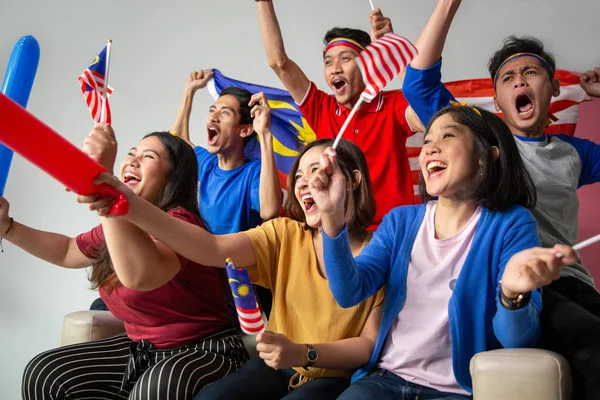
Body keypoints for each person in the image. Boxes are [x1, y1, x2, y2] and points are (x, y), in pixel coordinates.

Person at [79, 138, 383, 399]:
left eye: (316, 170)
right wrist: (125, 202)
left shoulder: (382, 249)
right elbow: (211, 248)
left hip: (331, 376)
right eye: (299, 175)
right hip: (275, 366)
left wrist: (304, 352)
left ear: (352, 180)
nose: (304, 182)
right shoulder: (286, 234)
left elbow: (368, 344)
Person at [311, 104, 578, 399]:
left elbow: (518, 338)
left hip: (456, 391)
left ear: (486, 156)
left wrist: (511, 294)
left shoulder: (512, 224)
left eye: (447, 136)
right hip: (383, 381)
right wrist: (332, 217)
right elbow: (349, 292)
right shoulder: (401, 221)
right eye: (426, 141)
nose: (430, 149)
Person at [401, 22, 600, 399]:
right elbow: (418, 85)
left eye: (530, 72)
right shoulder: (483, 143)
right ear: (497, 102)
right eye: (508, 78)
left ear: (553, 88)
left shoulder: (576, 153)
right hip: (520, 279)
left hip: (576, 281)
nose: (519, 82)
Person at [1, 127, 247, 400]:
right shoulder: (121, 226)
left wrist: (103, 184)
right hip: (143, 348)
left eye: (147, 156)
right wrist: (8, 228)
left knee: (155, 390)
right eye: (131, 154)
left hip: (204, 348)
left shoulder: (180, 224)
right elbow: (66, 250)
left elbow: (141, 276)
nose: (132, 160)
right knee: (46, 372)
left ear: (172, 176)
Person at [255, 0, 460, 228]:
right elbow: (279, 62)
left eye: (345, 58)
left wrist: (391, 52)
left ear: (369, 64)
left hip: (393, 233)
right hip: (342, 236)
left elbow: (430, 115)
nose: (335, 68)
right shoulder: (321, 108)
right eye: (328, 62)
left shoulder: (393, 106)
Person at [173, 78, 281, 314]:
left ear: (245, 129)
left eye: (224, 113)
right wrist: (189, 91)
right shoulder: (207, 163)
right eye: (212, 110)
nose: (213, 117)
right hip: (204, 277)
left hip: (239, 286)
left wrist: (265, 134)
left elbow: (270, 210)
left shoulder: (254, 172)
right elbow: (178, 141)